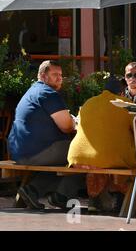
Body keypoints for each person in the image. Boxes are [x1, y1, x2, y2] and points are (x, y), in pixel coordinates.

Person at [67, 77, 136, 212]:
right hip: (110, 157)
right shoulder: (124, 104)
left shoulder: (89, 102)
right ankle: (126, 202)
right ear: (122, 93)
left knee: (99, 161)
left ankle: (95, 201)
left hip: (77, 158)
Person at [8, 60, 82, 210]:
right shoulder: (48, 93)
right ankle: (61, 196)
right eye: (55, 74)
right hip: (36, 152)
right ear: (42, 76)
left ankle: (32, 190)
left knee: (64, 161)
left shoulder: (33, 91)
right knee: (83, 154)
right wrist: (76, 123)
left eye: (61, 75)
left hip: (18, 153)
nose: (59, 78)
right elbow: (67, 126)